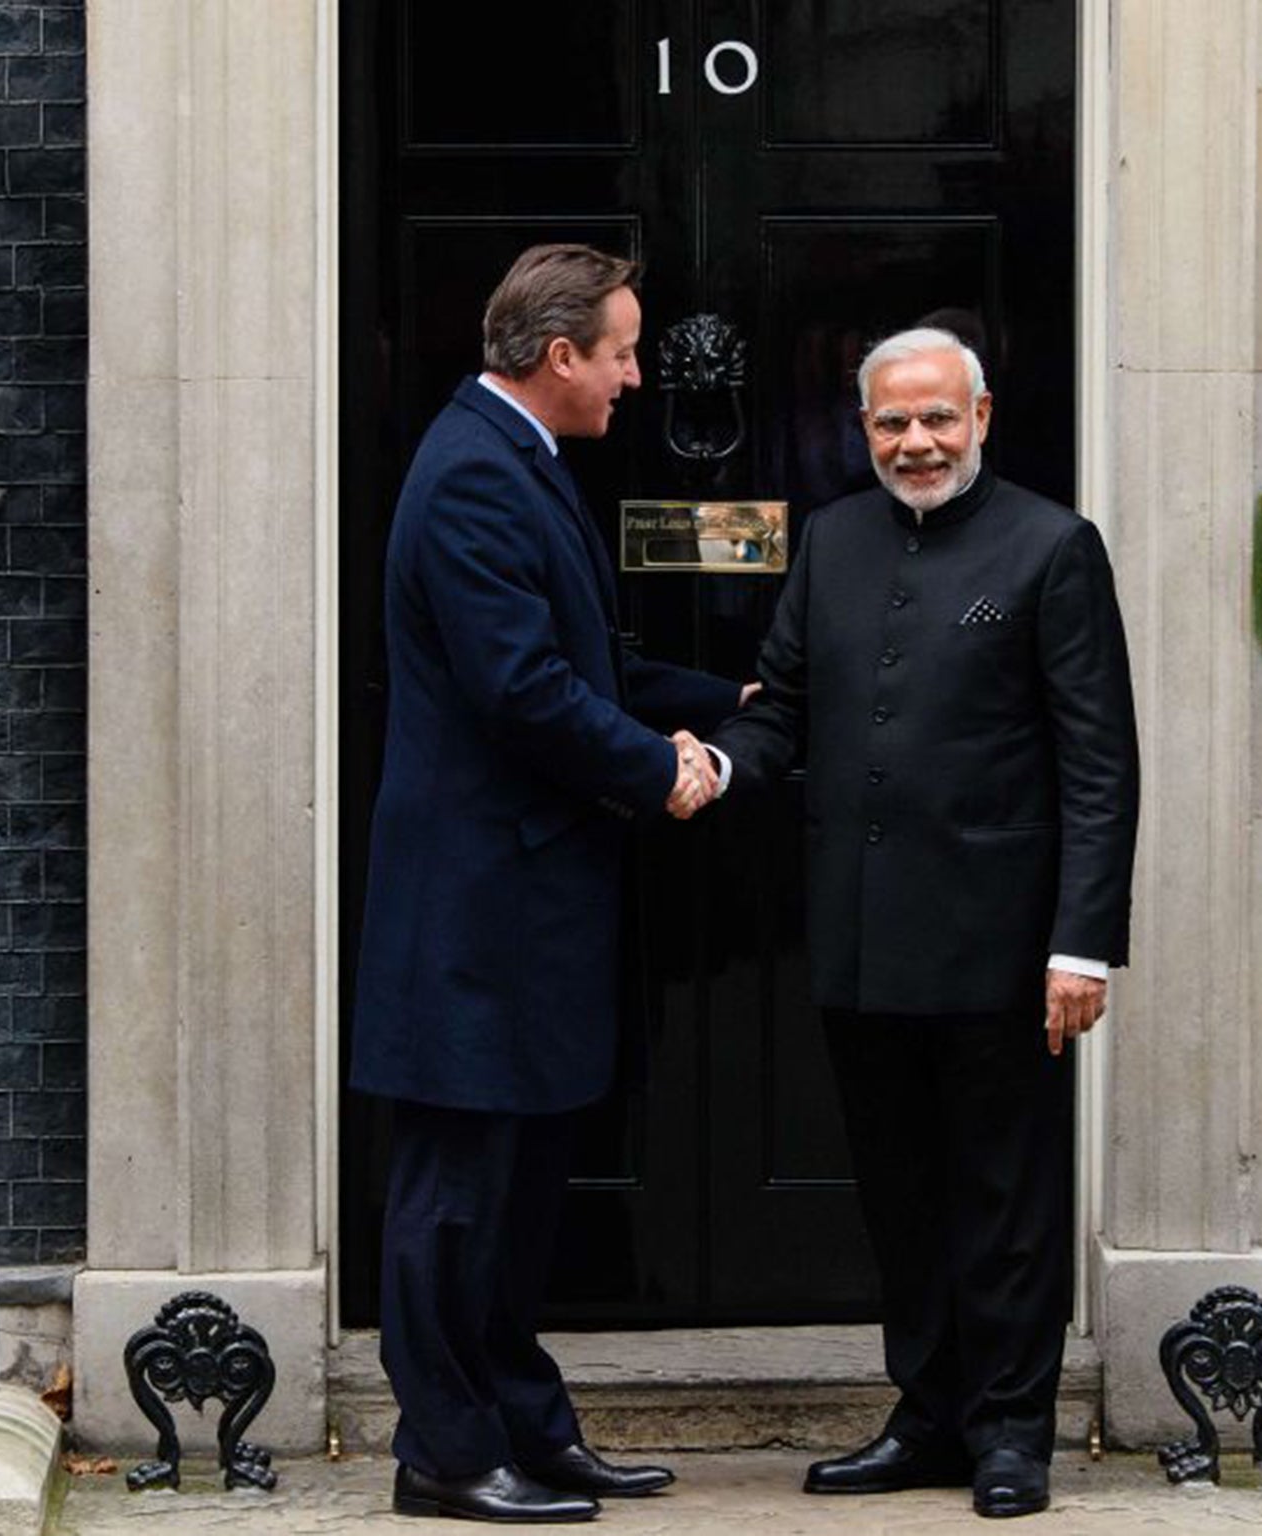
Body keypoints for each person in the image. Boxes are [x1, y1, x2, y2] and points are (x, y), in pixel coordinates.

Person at [706, 327, 1139, 1519]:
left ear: (982, 416)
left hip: (1004, 946)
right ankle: (929, 1414)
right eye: (892, 423)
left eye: (936, 419)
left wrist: (1080, 940)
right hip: (858, 939)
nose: (915, 443)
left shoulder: (1053, 548)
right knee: (899, 1198)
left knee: (1003, 1198)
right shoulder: (833, 540)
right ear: (864, 430)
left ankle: (1011, 1433)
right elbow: (781, 705)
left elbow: (1098, 763)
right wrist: (715, 768)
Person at [351, 244, 744, 1524]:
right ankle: (447, 1455)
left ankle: (525, 1426)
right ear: (560, 354)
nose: (638, 375)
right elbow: (520, 691)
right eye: (623, 351)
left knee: (514, 1204)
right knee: (453, 1199)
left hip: (523, 907)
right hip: (474, 913)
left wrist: (721, 702)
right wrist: (658, 771)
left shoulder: (517, 460)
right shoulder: (472, 474)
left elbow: (587, 658)